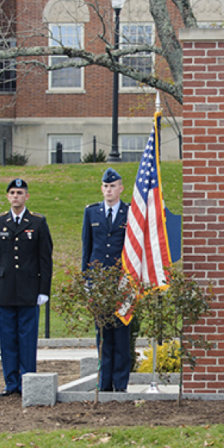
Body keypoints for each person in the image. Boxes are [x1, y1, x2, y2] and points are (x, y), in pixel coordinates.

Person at [0, 179, 53, 397]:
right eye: (13, 193)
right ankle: (11, 383)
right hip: (5, 290)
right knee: (7, 340)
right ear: (8, 196)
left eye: (20, 192)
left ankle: (28, 381)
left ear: (27, 196)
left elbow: (45, 259)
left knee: (27, 339)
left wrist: (44, 290)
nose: (16, 196)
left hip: (29, 290)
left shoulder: (38, 222)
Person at [82, 168, 131, 392]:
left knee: (121, 336)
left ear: (121, 188)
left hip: (122, 282)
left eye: (112, 186)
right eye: (105, 186)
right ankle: (104, 385)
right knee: (102, 335)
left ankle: (120, 384)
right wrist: (87, 280)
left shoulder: (130, 213)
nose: (108, 190)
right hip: (99, 282)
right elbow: (87, 248)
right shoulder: (91, 212)